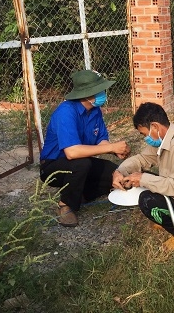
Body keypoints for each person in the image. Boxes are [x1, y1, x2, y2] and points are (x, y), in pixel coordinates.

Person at [112, 102, 174, 251]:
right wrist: (119, 171)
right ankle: (172, 217)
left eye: (144, 134)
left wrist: (143, 179)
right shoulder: (165, 137)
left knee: (147, 201)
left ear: (154, 126)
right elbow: (142, 159)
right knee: (144, 180)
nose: (145, 139)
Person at [39, 70, 131, 227]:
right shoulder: (66, 112)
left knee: (116, 172)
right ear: (87, 93)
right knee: (82, 164)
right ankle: (65, 205)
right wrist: (110, 148)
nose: (103, 93)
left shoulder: (95, 110)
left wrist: (114, 149)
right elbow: (72, 152)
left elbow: (101, 139)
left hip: (81, 161)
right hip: (53, 166)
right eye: (100, 90)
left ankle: (81, 194)